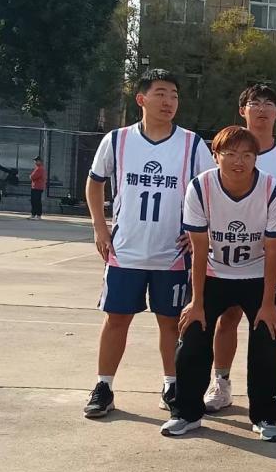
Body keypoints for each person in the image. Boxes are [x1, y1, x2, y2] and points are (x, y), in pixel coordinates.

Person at [83, 68, 213, 419]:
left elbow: (209, 189)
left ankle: (172, 385)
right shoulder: (117, 140)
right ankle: (104, 386)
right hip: (125, 250)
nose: (168, 101)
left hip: (171, 253)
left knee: (170, 322)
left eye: (174, 95)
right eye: (160, 93)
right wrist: (99, 227)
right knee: (117, 318)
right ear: (141, 98)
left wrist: (199, 230)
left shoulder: (192, 144)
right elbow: (95, 182)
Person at [161, 125, 276, 440]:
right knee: (193, 334)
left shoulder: (271, 189)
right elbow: (199, 248)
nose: (238, 161)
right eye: (230, 154)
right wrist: (197, 302)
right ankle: (186, 413)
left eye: (247, 155)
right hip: (214, 272)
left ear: (256, 158)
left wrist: (269, 303)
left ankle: (266, 417)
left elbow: (274, 251)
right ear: (215, 155)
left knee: (268, 339)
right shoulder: (200, 187)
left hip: (257, 274)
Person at [203, 84, 276, 414]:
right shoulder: (226, 147)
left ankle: (268, 394)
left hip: (266, 254)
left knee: (267, 322)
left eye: (268, 103)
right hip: (226, 253)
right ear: (242, 110)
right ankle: (221, 382)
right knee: (227, 318)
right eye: (254, 103)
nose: (261, 109)